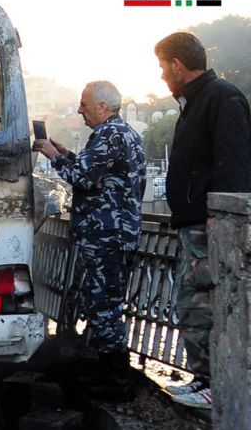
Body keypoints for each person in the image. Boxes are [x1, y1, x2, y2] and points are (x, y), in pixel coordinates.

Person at [154, 31, 251, 409]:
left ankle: (214, 384)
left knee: (203, 305)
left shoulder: (221, 98)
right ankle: (203, 379)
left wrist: (219, 220)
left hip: (209, 226)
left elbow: (235, 164)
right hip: (195, 223)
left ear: (177, 65)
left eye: (163, 66)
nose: (161, 74)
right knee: (191, 304)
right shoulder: (198, 101)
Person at [33, 80, 146, 402]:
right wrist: (66, 154)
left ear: (102, 107)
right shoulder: (120, 134)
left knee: (105, 308)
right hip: (112, 236)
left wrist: (53, 156)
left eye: (84, 104)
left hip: (107, 238)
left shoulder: (110, 135)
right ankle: (109, 374)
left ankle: (117, 382)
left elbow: (82, 178)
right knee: (102, 304)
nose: (80, 110)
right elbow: (92, 172)